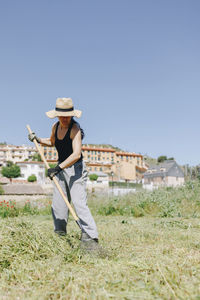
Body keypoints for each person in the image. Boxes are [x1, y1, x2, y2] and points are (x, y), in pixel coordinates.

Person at [28, 97, 98, 246]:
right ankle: (60, 236)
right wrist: (38, 139)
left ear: (72, 115)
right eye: (62, 116)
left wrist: (58, 168)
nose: (64, 119)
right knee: (59, 205)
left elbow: (76, 154)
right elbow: (52, 142)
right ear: (57, 115)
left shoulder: (75, 129)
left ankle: (91, 237)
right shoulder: (55, 126)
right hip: (60, 168)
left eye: (67, 116)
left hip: (75, 169)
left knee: (79, 203)